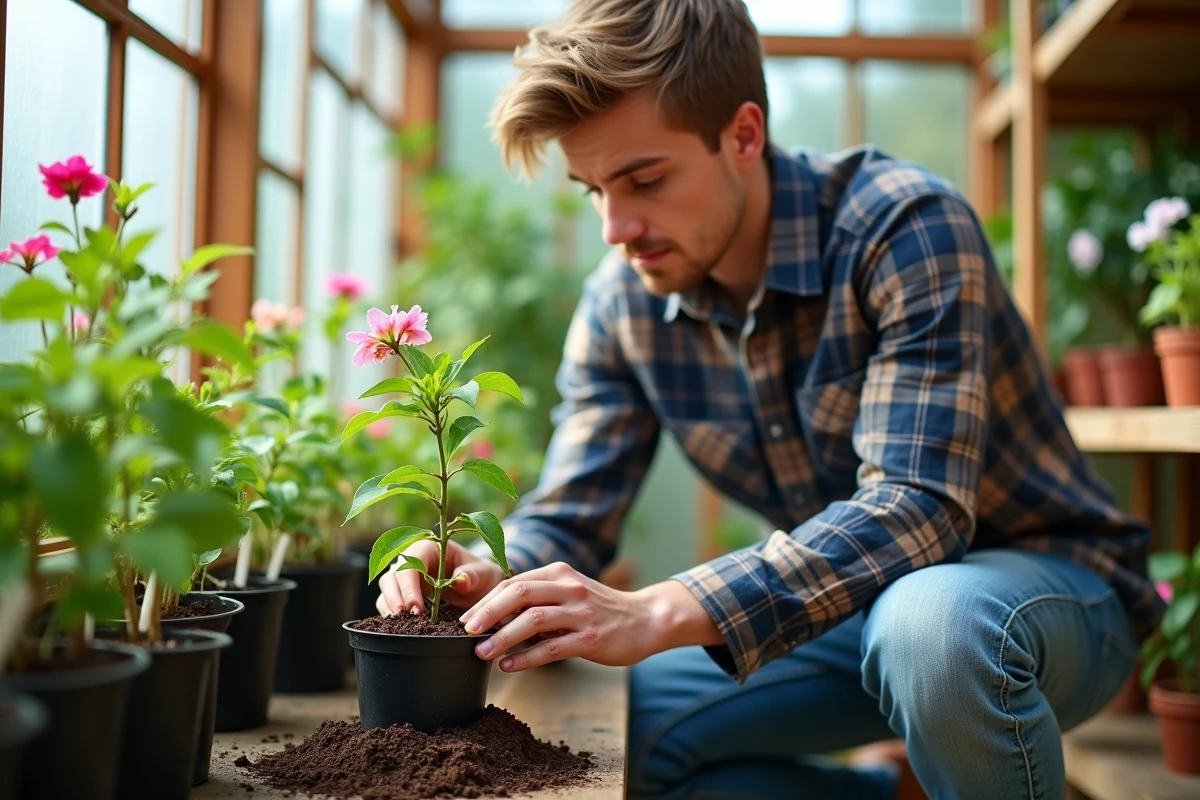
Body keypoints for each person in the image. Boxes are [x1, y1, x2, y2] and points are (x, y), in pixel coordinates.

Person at [376, 1, 1162, 797]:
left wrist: (659, 609)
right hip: (843, 615)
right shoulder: (623, 304)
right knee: (597, 736)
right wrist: (484, 569)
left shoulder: (900, 226)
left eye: (645, 179)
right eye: (591, 190)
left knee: (930, 626)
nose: (616, 227)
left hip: (1041, 598)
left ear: (744, 136)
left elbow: (919, 506)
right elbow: (572, 510)